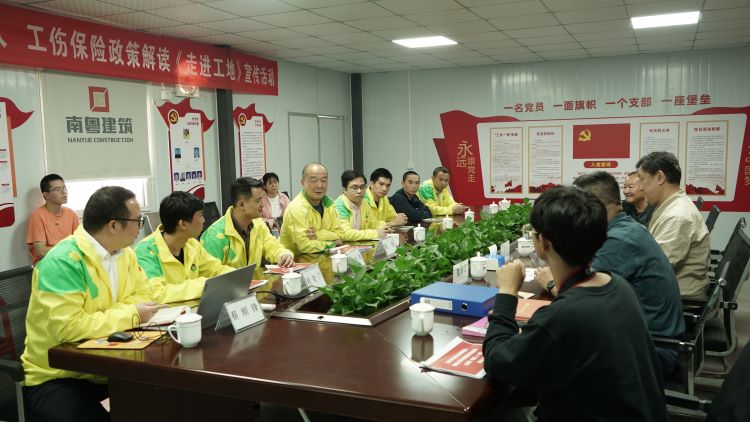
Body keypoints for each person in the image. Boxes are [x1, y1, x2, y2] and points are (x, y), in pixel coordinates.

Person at [483, 186, 667, 422]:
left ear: (543, 242)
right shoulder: (618, 284)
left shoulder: (566, 315)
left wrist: (507, 292)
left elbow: (497, 361)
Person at [21, 186, 165, 422]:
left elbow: (145, 296)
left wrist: (107, 318)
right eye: (137, 221)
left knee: (163, 401)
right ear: (113, 225)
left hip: (107, 367)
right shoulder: (63, 262)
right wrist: (132, 314)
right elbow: (70, 328)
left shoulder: (125, 254)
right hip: (57, 376)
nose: (140, 228)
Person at [571, 171, 684, 376]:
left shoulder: (619, 240)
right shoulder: (626, 227)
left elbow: (582, 300)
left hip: (652, 350)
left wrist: (551, 282)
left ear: (593, 208)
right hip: (647, 336)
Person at [135, 192, 235, 304]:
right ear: (183, 224)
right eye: (200, 215)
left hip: (193, 311)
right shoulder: (145, 250)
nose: (204, 220)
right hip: (168, 314)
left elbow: (215, 269)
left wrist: (238, 276)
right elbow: (157, 293)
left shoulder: (192, 244)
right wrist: (204, 285)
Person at [637, 151, 710, 300]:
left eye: (642, 179)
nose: (641, 188)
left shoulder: (676, 216)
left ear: (660, 177)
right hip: (671, 289)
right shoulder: (671, 206)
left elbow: (656, 268)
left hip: (678, 297)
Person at [201, 177, 294, 269]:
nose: (263, 205)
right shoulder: (213, 236)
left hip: (255, 278)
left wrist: (283, 254)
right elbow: (211, 272)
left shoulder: (258, 224)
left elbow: (272, 245)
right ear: (242, 205)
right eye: (258, 201)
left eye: (262, 199)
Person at [26, 174, 80, 264]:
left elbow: (79, 244)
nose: (64, 192)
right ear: (46, 195)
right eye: (58, 190)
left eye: (64, 188)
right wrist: (69, 250)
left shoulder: (71, 214)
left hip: (70, 263)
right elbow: (41, 252)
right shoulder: (37, 216)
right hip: (48, 265)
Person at [334, 170, 387, 240]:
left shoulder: (364, 203)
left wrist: (386, 228)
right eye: (354, 188)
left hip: (359, 244)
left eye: (362, 187)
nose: (359, 191)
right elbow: (345, 233)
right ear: (344, 189)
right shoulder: (339, 205)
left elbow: (374, 224)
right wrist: (375, 233)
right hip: (344, 245)